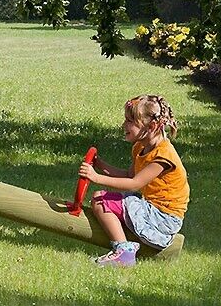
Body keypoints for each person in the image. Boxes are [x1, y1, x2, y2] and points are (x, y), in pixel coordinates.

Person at [79, 94, 190, 267]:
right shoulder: (140, 147)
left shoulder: (163, 156)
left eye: (130, 121)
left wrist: (96, 177)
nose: (124, 125)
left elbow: (135, 184)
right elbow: (130, 175)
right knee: (105, 200)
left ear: (151, 126)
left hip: (164, 218)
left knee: (101, 201)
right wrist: (101, 165)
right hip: (152, 208)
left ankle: (123, 253)